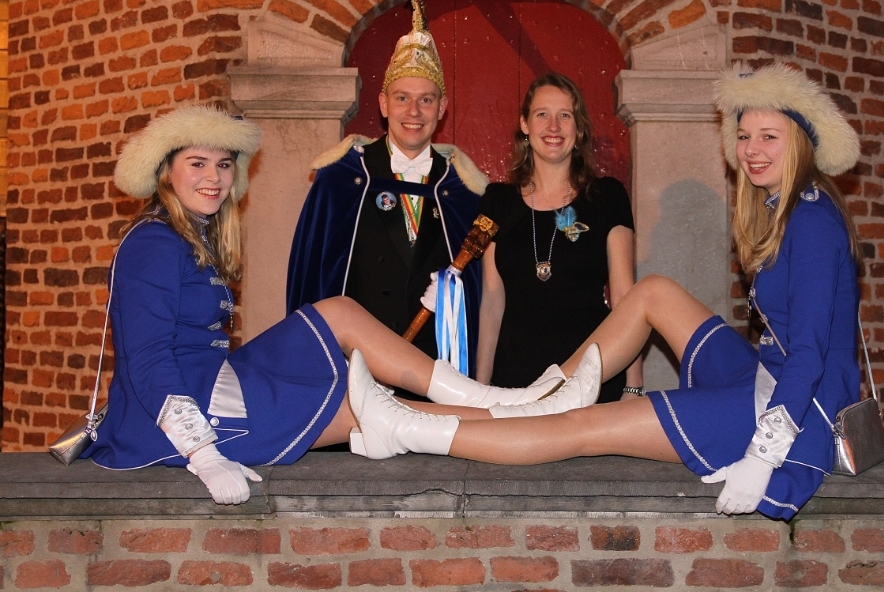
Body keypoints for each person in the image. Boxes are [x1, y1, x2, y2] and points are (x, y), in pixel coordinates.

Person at [344, 62, 865, 520]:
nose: (752, 150)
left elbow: (811, 352)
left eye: (769, 137)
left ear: (799, 142)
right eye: (745, 136)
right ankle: (533, 397)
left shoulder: (813, 221)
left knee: (583, 425)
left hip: (797, 407)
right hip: (768, 374)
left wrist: (764, 455)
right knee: (654, 292)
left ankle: (409, 426)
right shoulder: (790, 209)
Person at [83, 104, 599, 505]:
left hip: (215, 380)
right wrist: (202, 453)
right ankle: (521, 414)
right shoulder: (152, 243)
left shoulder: (185, 235)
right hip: (180, 419)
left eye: (222, 165)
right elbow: (147, 360)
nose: (214, 178)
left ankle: (503, 402)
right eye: (196, 164)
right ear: (165, 172)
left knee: (338, 312)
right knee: (378, 409)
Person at [286, 0, 488, 364]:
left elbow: (481, 298)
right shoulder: (342, 180)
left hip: (435, 365)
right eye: (402, 98)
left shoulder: (461, 191)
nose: (414, 112)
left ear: (442, 108)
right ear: (383, 104)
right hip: (357, 363)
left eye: (426, 100)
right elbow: (311, 278)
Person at [475, 72, 642, 402]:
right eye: (542, 114)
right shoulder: (497, 201)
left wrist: (633, 386)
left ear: (578, 129)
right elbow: (492, 300)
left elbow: (626, 299)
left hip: (591, 379)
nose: (553, 126)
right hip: (515, 382)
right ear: (525, 124)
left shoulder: (607, 197)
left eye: (565, 115)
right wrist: (479, 389)